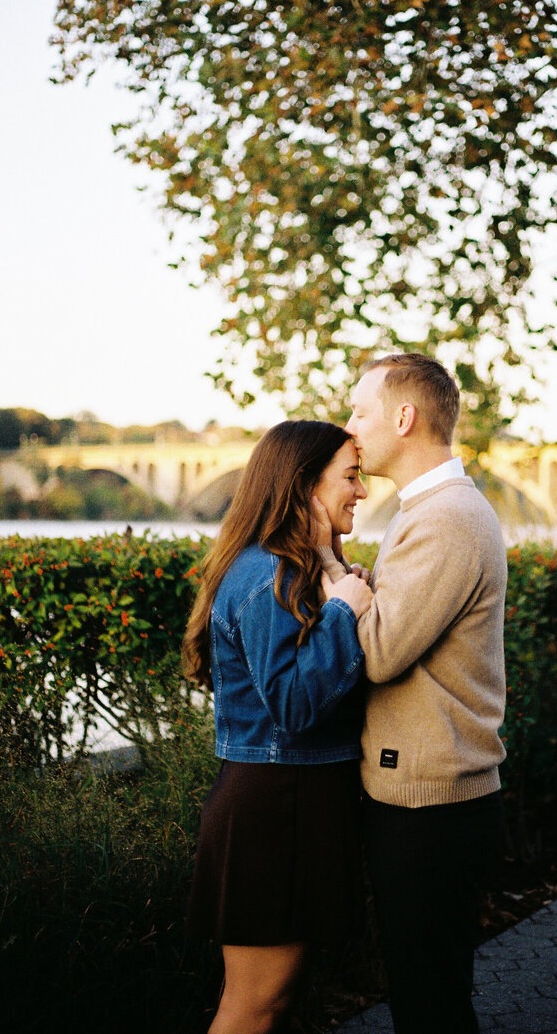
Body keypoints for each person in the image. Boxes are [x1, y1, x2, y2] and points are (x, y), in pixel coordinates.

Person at [320, 353, 508, 1034]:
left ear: (405, 417)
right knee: (427, 991)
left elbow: (374, 653)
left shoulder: (446, 517)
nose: (349, 427)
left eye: (360, 410)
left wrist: (325, 570)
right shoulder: (427, 510)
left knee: (429, 1002)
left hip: (430, 805)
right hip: (426, 796)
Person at [182, 420, 373, 1034]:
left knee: (279, 1001)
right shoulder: (268, 577)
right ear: (304, 485)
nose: (363, 491)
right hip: (276, 805)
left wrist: (335, 580)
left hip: (297, 798)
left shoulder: (295, 568)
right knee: (253, 1006)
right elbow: (291, 706)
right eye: (350, 475)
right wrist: (344, 610)